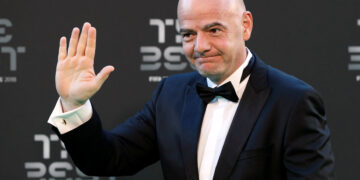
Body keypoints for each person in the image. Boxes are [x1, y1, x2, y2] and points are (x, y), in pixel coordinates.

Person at [48, 0, 335, 179]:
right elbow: (107, 158)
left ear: (245, 26)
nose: (200, 47)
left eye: (214, 30)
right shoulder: (170, 94)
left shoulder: (293, 101)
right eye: (189, 34)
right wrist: (73, 103)